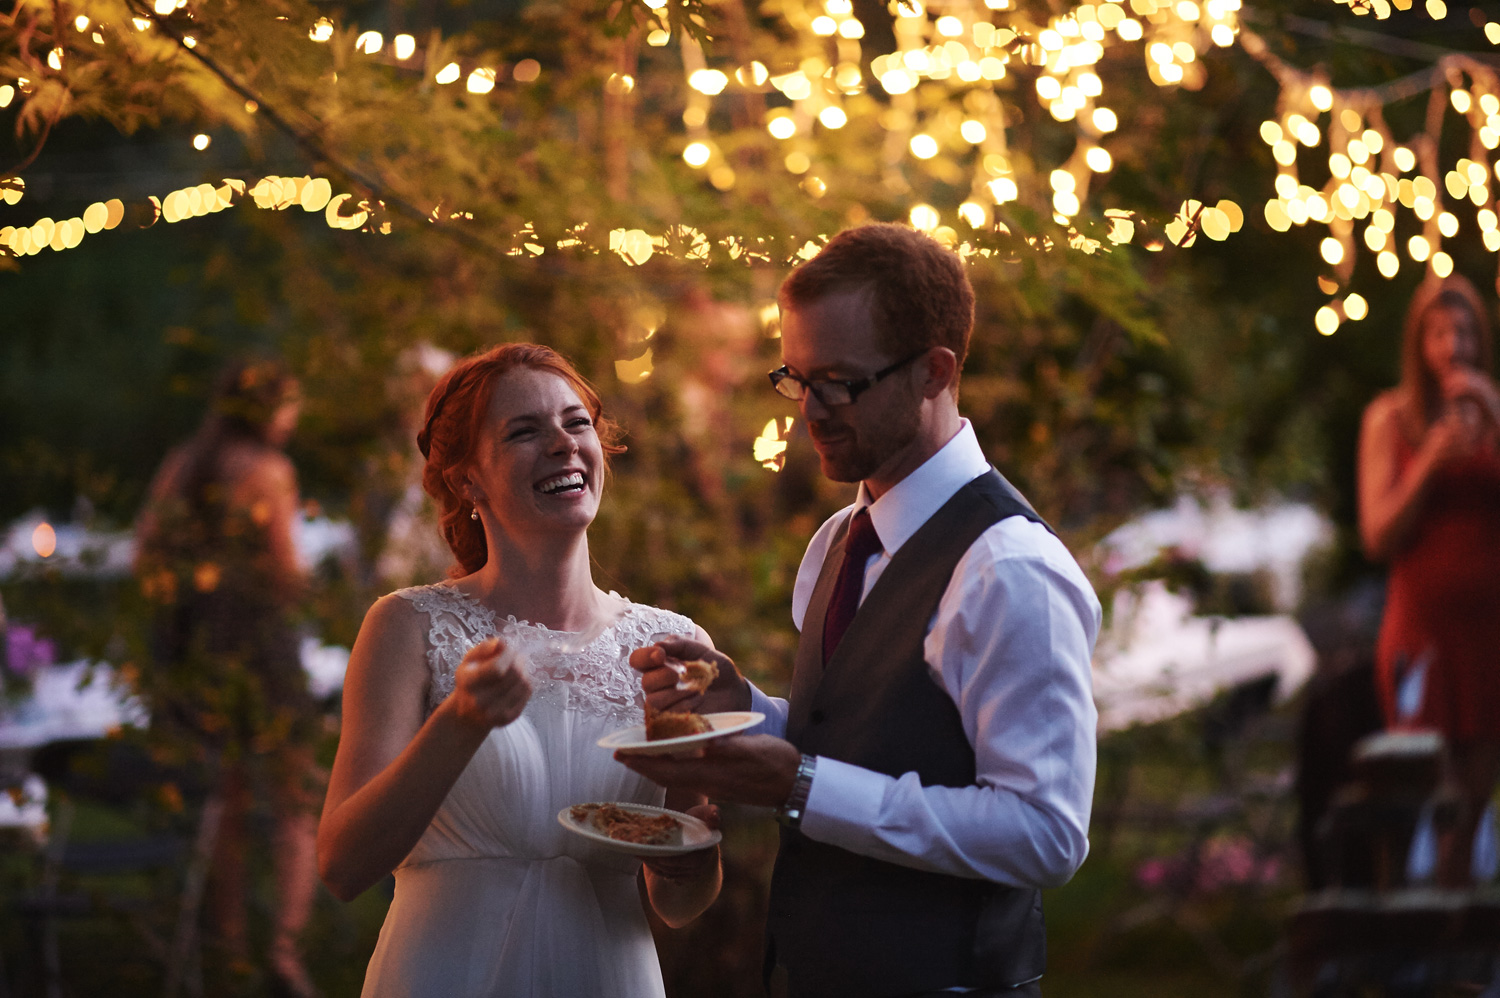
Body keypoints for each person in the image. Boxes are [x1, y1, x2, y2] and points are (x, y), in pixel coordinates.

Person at [620, 224, 1100, 998]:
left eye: (839, 381)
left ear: (934, 373)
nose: (809, 410)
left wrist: (800, 783)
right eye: (795, 378)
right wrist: (743, 713)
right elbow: (861, 740)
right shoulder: (838, 541)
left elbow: (1046, 836)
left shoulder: (1010, 570)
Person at [317, 343, 722, 998]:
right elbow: (342, 865)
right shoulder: (408, 627)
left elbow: (680, 902)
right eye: (524, 431)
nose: (562, 444)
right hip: (446, 974)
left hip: (609, 975)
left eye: (576, 422)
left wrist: (695, 847)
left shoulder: (674, 644)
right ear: (466, 480)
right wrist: (461, 721)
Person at [134, 359, 320, 996]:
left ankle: (230, 949)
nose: (294, 417)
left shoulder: (184, 464)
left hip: (199, 654)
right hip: (262, 651)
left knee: (229, 807)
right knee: (297, 801)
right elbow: (285, 572)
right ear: (267, 410)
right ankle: (285, 953)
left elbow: (144, 552)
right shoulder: (270, 472)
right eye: (290, 404)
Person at [1357, 274, 1500, 887]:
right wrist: (1428, 469)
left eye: (1465, 331)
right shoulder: (1390, 418)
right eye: (1439, 333)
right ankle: (1417, 936)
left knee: (1474, 798)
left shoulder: (1496, 414)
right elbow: (1377, 535)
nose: (1453, 346)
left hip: (1490, 636)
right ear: (1418, 345)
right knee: (1430, 789)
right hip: (1423, 637)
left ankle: (1463, 948)